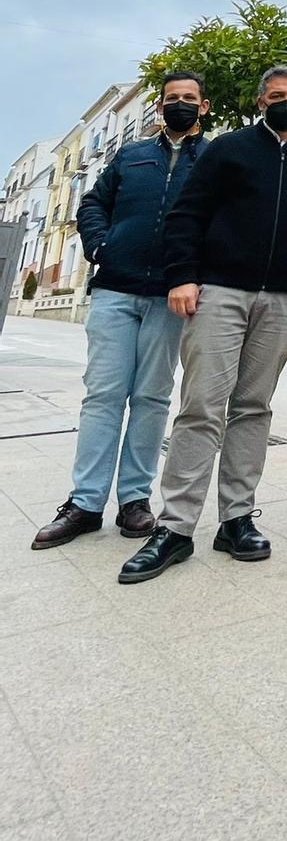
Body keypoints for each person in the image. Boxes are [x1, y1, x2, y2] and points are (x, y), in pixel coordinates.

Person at [118, 65, 287, 583]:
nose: (286, 101)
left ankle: (237, 519)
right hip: (218, 292)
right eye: (276, 95)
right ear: (261, 102)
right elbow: (187, 214)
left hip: (283, 301)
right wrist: (183, 277)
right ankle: (174, 528)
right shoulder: (228, 149)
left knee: (253, 408)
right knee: (200, 408)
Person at [31, 73, 210, 550]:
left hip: (172, 297)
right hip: (115, 290)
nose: (179, 105)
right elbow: (92, 204)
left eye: (188, 99)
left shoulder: (212, 159)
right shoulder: (131, 155)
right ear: (160, 107)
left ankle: (134, 499)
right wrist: (99, 245)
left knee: (152, 397)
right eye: (172, 99)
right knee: (104, 395)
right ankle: (85, 503)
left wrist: (196, 273)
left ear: (204, 106)